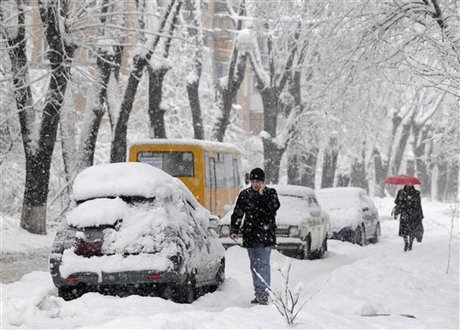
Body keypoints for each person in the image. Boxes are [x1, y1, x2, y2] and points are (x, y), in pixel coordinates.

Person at [230, 168, 280, 305]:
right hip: (250, 234)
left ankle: (263, 293)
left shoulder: (271, 193)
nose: (255, 184)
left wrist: (263, 195)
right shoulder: (245, 194)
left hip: (265, 235)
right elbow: (238, 212)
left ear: (263, 182)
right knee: (254, 265)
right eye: (253, 181)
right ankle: (258, 292)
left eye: (258, 181)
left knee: (263, 264)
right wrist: (234, 228)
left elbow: (274, 207)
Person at [393, 185, 424, 252]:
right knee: (404, 231)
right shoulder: (401, 192)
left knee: (412, 230)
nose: (408, 184)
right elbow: (396, 202)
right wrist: (401, 200)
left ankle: (410, 243)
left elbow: (419, 205)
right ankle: (406, 243)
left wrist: (421, 215)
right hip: (405, 215)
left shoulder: (416, 193)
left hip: (413, 215)